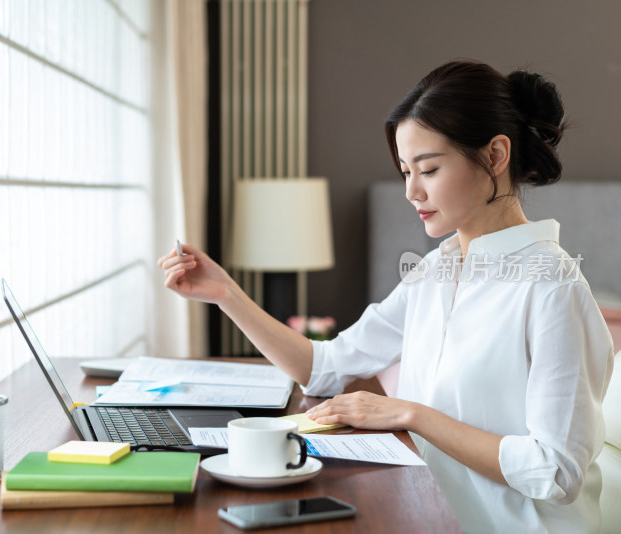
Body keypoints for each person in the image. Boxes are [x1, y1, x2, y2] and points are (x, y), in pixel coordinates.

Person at [157, 60, 614, 533]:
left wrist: (411, 414)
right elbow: (326, 366)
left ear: (496, 155)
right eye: (404, 171)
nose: (412, 191)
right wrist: (226, 293)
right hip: (426, 515)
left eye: (429, 169)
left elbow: (556, 472)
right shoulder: (436, 271)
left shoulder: (553, 287)